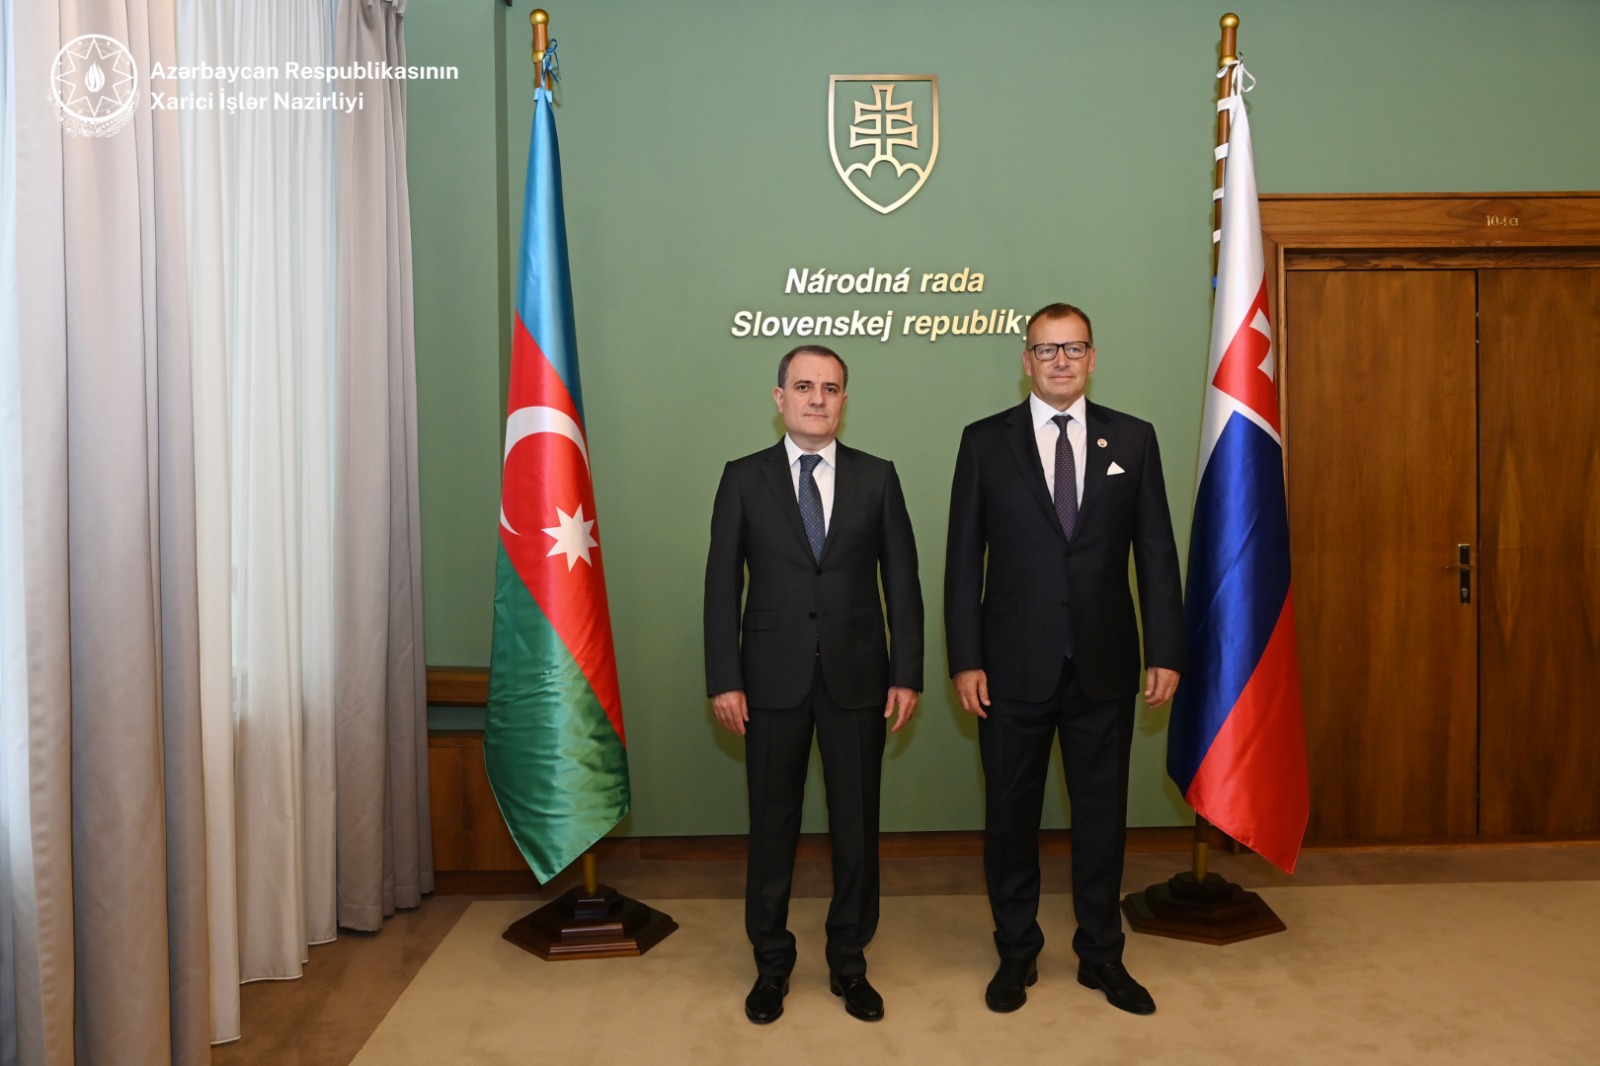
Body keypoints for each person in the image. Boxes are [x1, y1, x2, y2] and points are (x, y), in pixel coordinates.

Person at [944, 303, 1184, 1016]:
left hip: (1104, 667)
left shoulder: (1133, 439)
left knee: (1103, 819)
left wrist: (1165, 648)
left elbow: (1157, 552)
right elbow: (963, 561)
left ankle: (1101, 954)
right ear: (1026, 360)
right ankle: (1016, 950)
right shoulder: (984, 442)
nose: (1059, 361)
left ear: (1092, 358)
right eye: (1046, 349)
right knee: (1010, 818)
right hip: (1010, 668)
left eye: (1072, 348)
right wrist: (965, 658)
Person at [705, 344, 923, 1025]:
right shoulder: (743, 478)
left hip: (859, 679)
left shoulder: (878, 477)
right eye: (804, 387)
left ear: (844, 401)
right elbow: (720, 586)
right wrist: (724, 678)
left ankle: (849, 962)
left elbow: (903, 583)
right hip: (769, 682)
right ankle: (772, 964)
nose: (817, 399)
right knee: (772, 828)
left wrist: (907, 673)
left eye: (830, 388)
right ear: (780, 398)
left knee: (856, 828)